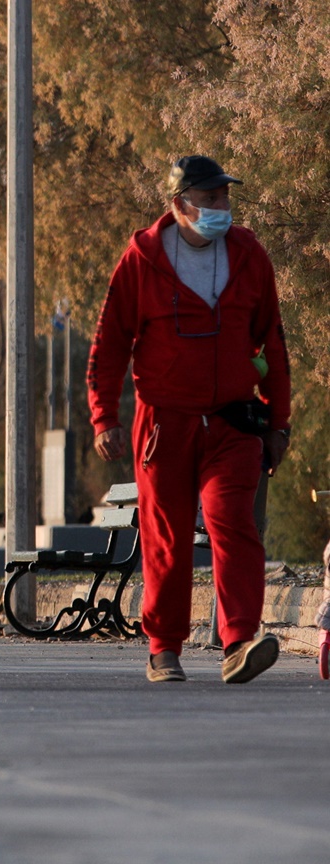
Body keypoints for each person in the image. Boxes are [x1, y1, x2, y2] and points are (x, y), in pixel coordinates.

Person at [87, 155, 289, 685]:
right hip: (164, 424)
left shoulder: (248, 254)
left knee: (233, 523)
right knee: (167, 538)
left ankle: (240, 640)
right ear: (181, 204)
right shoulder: (142, 259)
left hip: (233, 422)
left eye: (226, 197)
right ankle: (163, 649)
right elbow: (109, 343)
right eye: (212, 198)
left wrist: (279, 421)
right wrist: (103, 415)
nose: (224, 207)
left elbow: (273, 340)